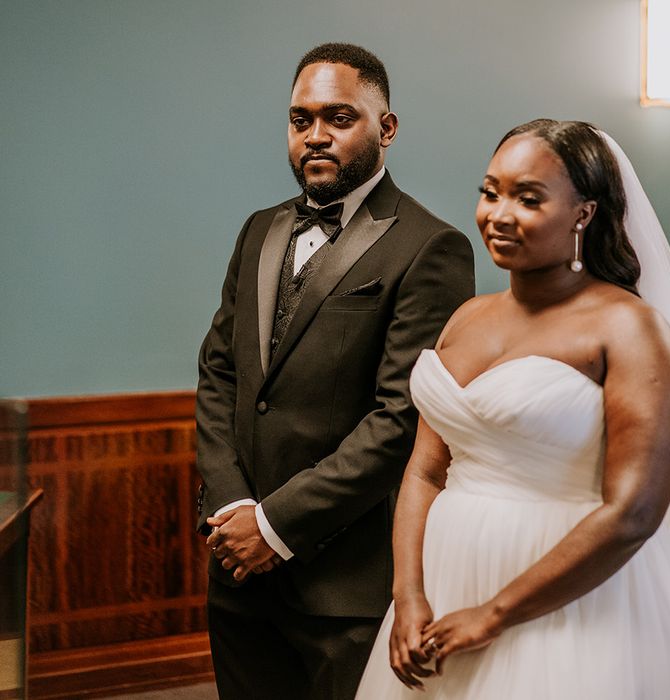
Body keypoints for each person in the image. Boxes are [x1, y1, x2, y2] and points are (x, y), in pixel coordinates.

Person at [356, 120, 670, 698]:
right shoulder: (466, 319)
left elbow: (634, 513)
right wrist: (409, 595)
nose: (499, 214)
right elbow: (425, 470)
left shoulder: (631, 331)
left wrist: (495, 613)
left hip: (577, 602)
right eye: (491, 191)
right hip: (446, 582)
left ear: (583, 214)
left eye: (528, 198)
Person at [195, 43, 475, 699]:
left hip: (345, 582)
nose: (315, 135)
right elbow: (219, 378)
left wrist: (276, 526)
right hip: (237, 568)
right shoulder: (258, 231)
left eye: (339, 117)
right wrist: (235, 508)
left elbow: (401, 420)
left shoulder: (430, 247)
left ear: (387, 128)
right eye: (300, 119)